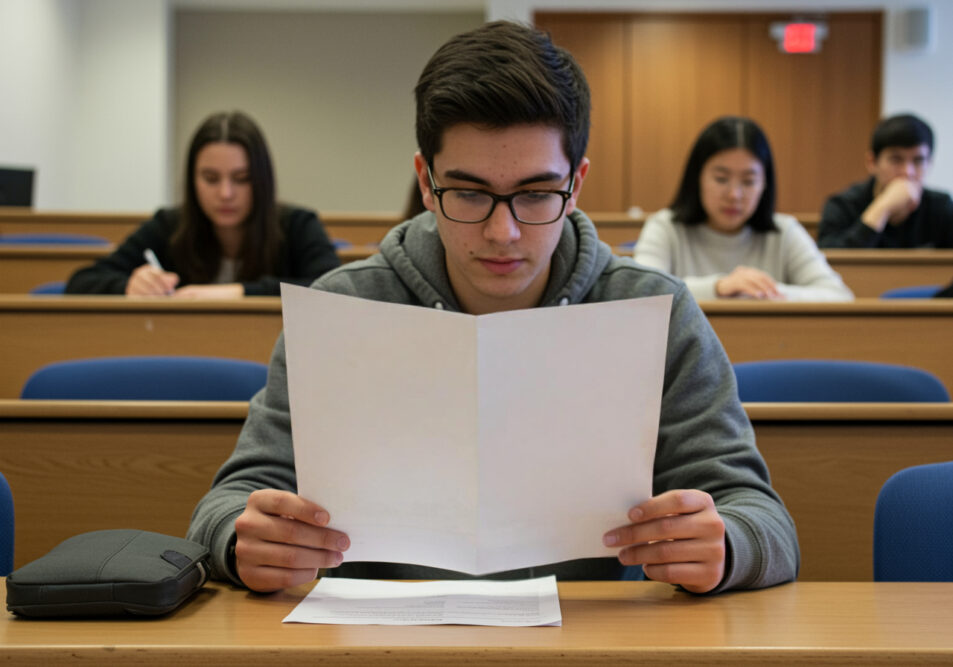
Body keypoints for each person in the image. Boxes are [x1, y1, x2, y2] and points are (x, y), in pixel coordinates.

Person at [188, 21, 799, 595]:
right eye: (470, 193)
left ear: (576, 182)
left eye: (536, 194)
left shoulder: (651, 310)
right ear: (426, 181)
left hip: (586, 644)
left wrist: (729, 545)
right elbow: (225, 505)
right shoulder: (343, 308)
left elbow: (764, 521)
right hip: (380, 642)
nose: (503, 232)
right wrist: (240, 542)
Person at [65, 111, 340, 297]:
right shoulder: (168, 226)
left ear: (262, 180)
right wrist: (129, 285)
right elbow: (81, 282)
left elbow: (335, 291)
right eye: (210, 179)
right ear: (192, 179)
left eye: (241, 179)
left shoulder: (297, 225)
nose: (225, 193)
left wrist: (239, 292)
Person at [634, 117, 853, 302]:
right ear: (697, 177)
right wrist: (718, 287)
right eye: (721, 179)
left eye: (748, 181)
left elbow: (839, 296)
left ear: (764, 184)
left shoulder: (785, 231)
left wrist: (762, 290)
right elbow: (640, 293)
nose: (734, 195)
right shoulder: (665, 227)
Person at [818, 113, 953, 249]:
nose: (907, 172)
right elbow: (829, 261)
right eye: (896, 159)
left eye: (918, 161)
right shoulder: (843, 205)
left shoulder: (941, 206)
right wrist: (882, 208)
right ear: (872, 162)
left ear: (929, 164)